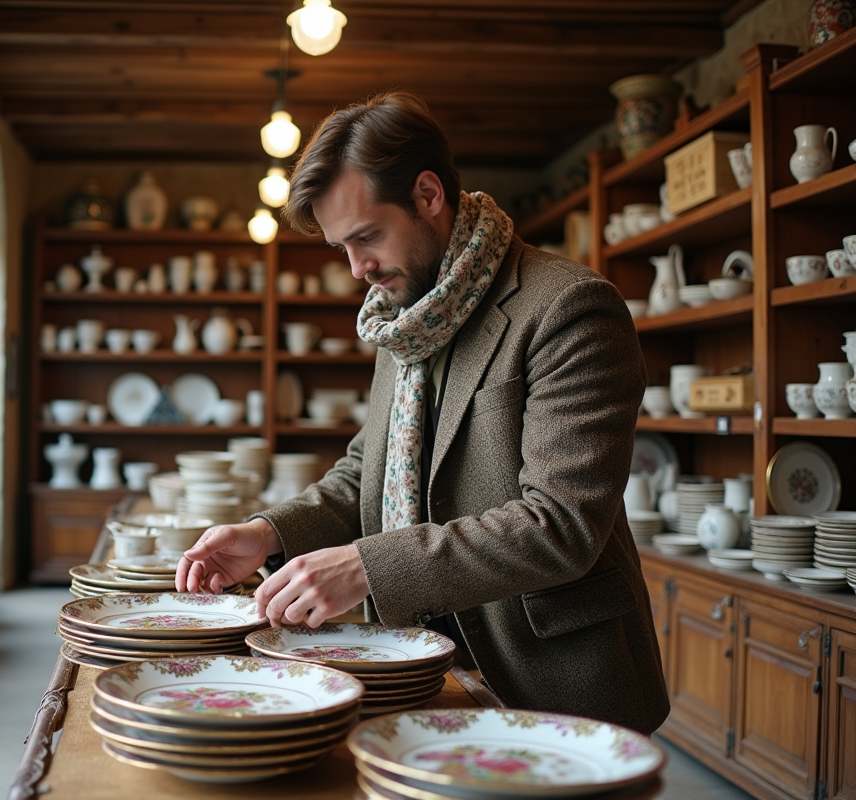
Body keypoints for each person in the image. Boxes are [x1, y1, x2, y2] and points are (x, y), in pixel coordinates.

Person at [176, 90, 669, 735]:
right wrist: (267, 533)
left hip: (550, 678)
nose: (358, 268)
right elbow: (366, 472)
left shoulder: (570, 308)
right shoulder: (405, 317)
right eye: (342, 247)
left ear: (429, 194)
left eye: (367, 237)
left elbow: (560, 525)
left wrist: (366, 566)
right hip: (422, 664)